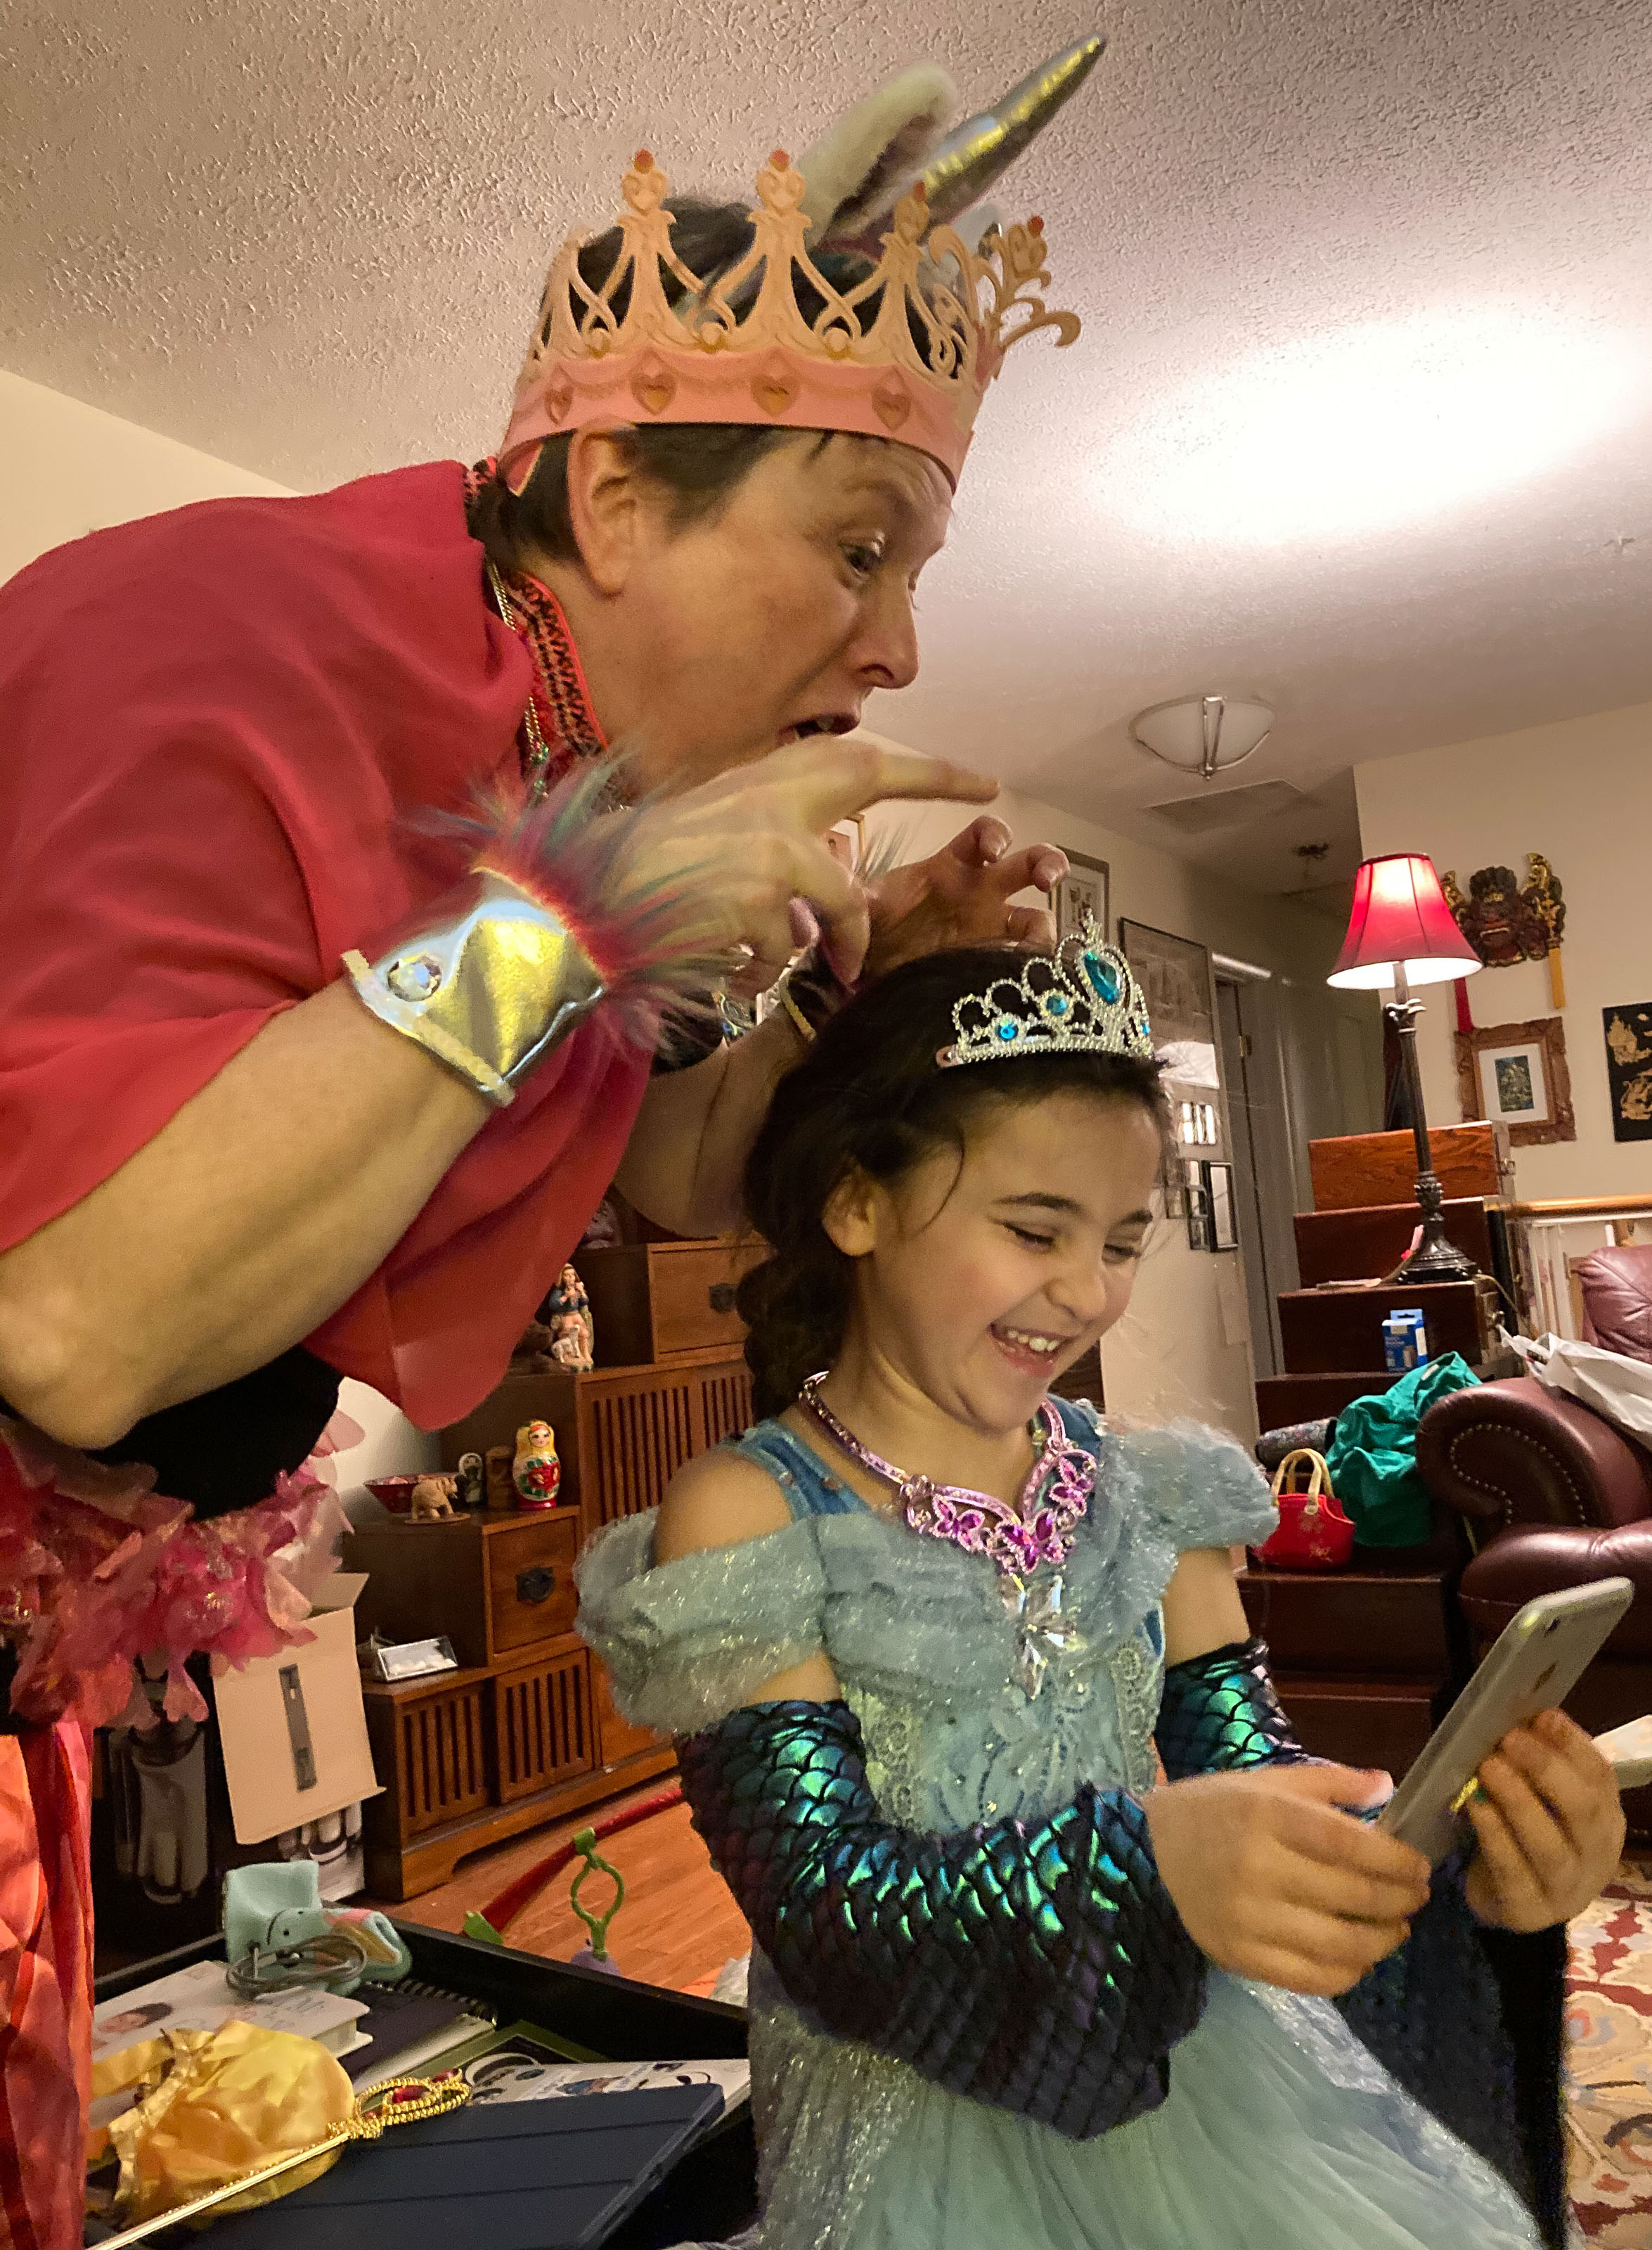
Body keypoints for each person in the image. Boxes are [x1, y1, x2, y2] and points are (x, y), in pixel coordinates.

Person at [0, 52, 1101, 2242]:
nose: (896, 642)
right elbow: (75, 1323)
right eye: (858, 546)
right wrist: (573, 919)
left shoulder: (598, 763)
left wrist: (860, 990)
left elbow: (678, 1178)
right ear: (608, 499)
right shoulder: (221, 627)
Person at [577, 932, 1625, 2250]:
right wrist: (1150, 1868)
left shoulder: (1153, 1492)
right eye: (1032, 1230)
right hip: (920, 2139)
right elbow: (830, 1917)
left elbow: (1249, 1777)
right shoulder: (751, 1513)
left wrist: (1471, 1861)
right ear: (855, 1205)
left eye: (1123, 1241)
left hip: (1207, 2068)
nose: (1087, 1294)